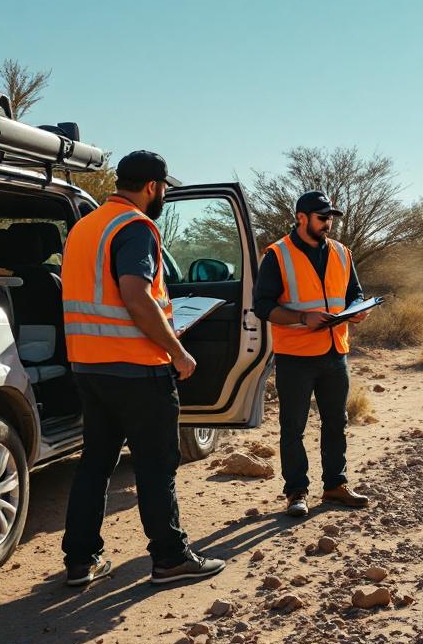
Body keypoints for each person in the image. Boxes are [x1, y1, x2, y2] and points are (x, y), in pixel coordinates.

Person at [60, 150, 225, 587]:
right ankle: (170, 559)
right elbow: (136, 294)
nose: (164, 194)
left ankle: (81, 560)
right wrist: (177, 350)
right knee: (156, 465)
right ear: (152, 186)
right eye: (164, 187)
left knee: (94, 463)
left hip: (89, 367)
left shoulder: (85, 226)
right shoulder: (136, 227)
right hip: (137, 369)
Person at [254, 190, 374, 517]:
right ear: (301, 218)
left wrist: (357, 310)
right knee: (293, 426)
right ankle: (296, 492)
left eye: (331, 218)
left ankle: (335, 485)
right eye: (322, 218)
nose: (328, 224)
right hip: (296, 356)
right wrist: (301, 318)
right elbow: (262, 306)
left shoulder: (342, 253)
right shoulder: (277, 255)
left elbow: (354, 294)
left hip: (336, 352)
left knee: (336, 421)